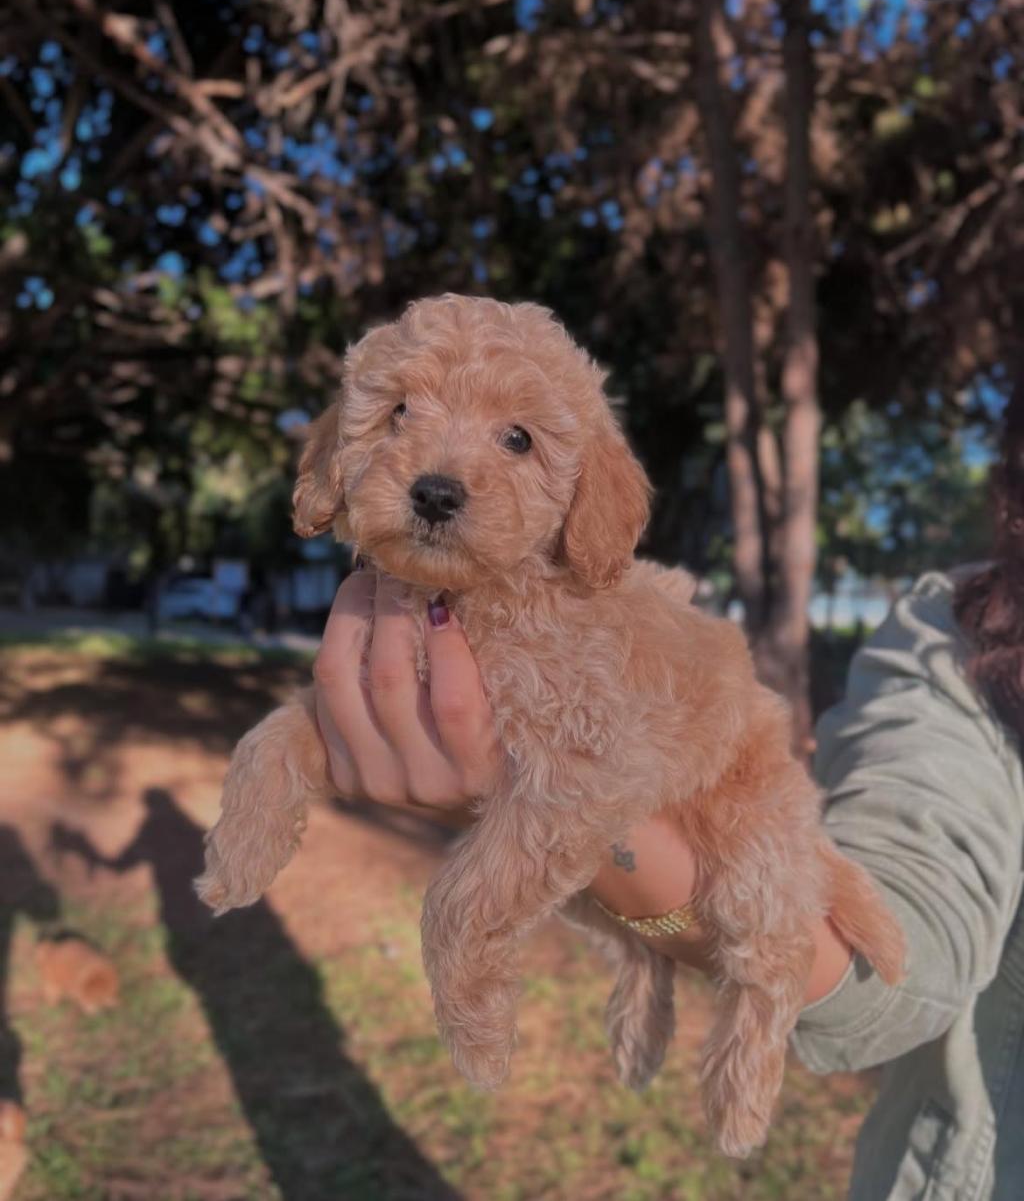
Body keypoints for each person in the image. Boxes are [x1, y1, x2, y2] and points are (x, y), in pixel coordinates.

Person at [312, 390, 1024, 1200]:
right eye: (402, 413)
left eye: (516, 440)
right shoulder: (965, 632)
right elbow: (902, 974)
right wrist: (591, 821)